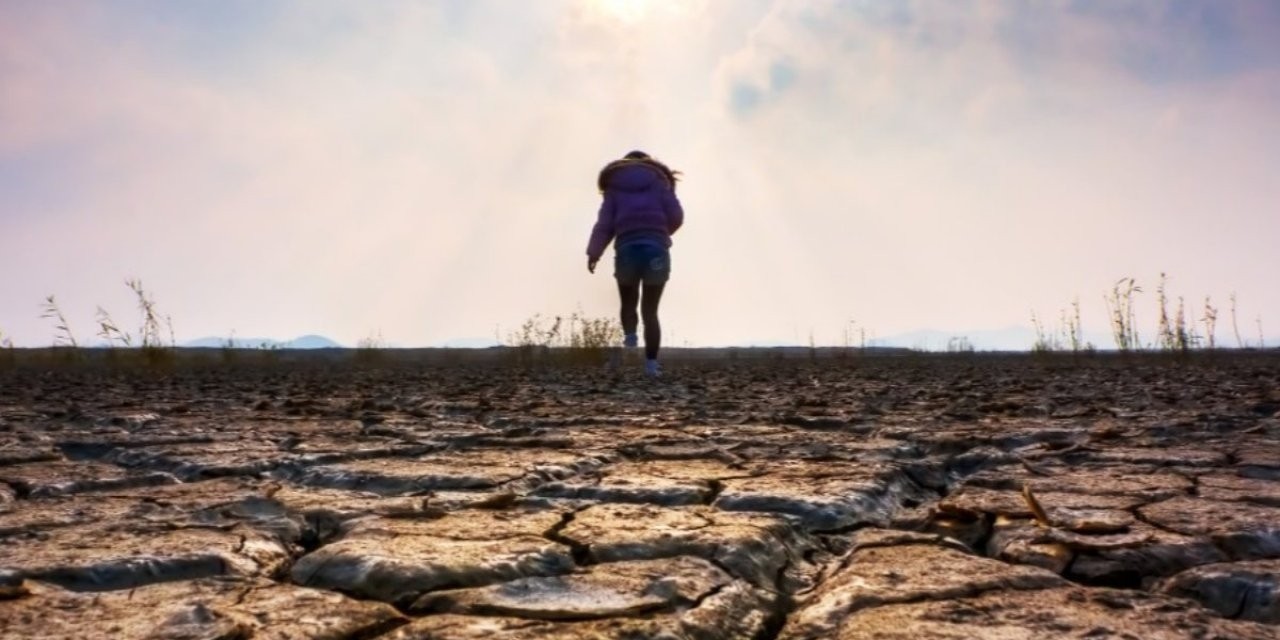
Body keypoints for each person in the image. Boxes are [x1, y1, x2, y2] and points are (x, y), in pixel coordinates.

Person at [586, 150, 684, 377]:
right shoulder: (660, 183)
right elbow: (677, 215)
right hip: (656, 250)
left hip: (627, 249)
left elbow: (604, 224)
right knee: (651, 311)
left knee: (628, 301)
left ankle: (630, 339)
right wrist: (660, 233)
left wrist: (594, 252)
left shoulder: (614, 187)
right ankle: (651, 366)